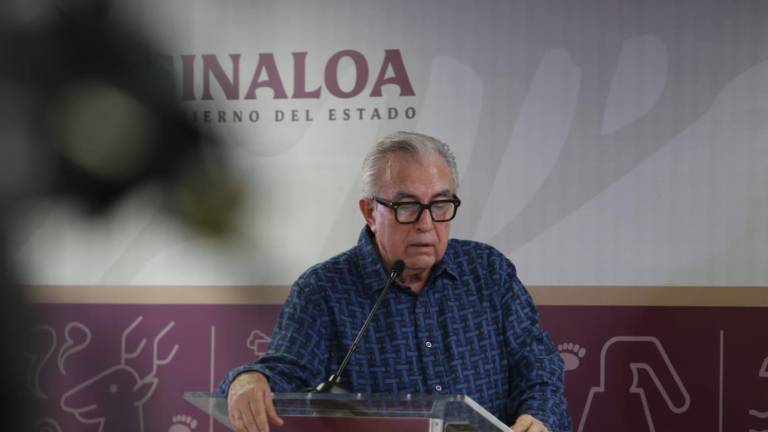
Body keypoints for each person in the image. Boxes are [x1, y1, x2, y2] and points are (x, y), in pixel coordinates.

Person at [219, 131, 571, 432]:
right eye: (407, 207)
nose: (426, 224)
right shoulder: (323, 291)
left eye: (440, 204)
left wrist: (538, 416)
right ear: (370, 212)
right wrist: (250, 379)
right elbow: (284, 375)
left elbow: (537, 364)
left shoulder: (488, 272)